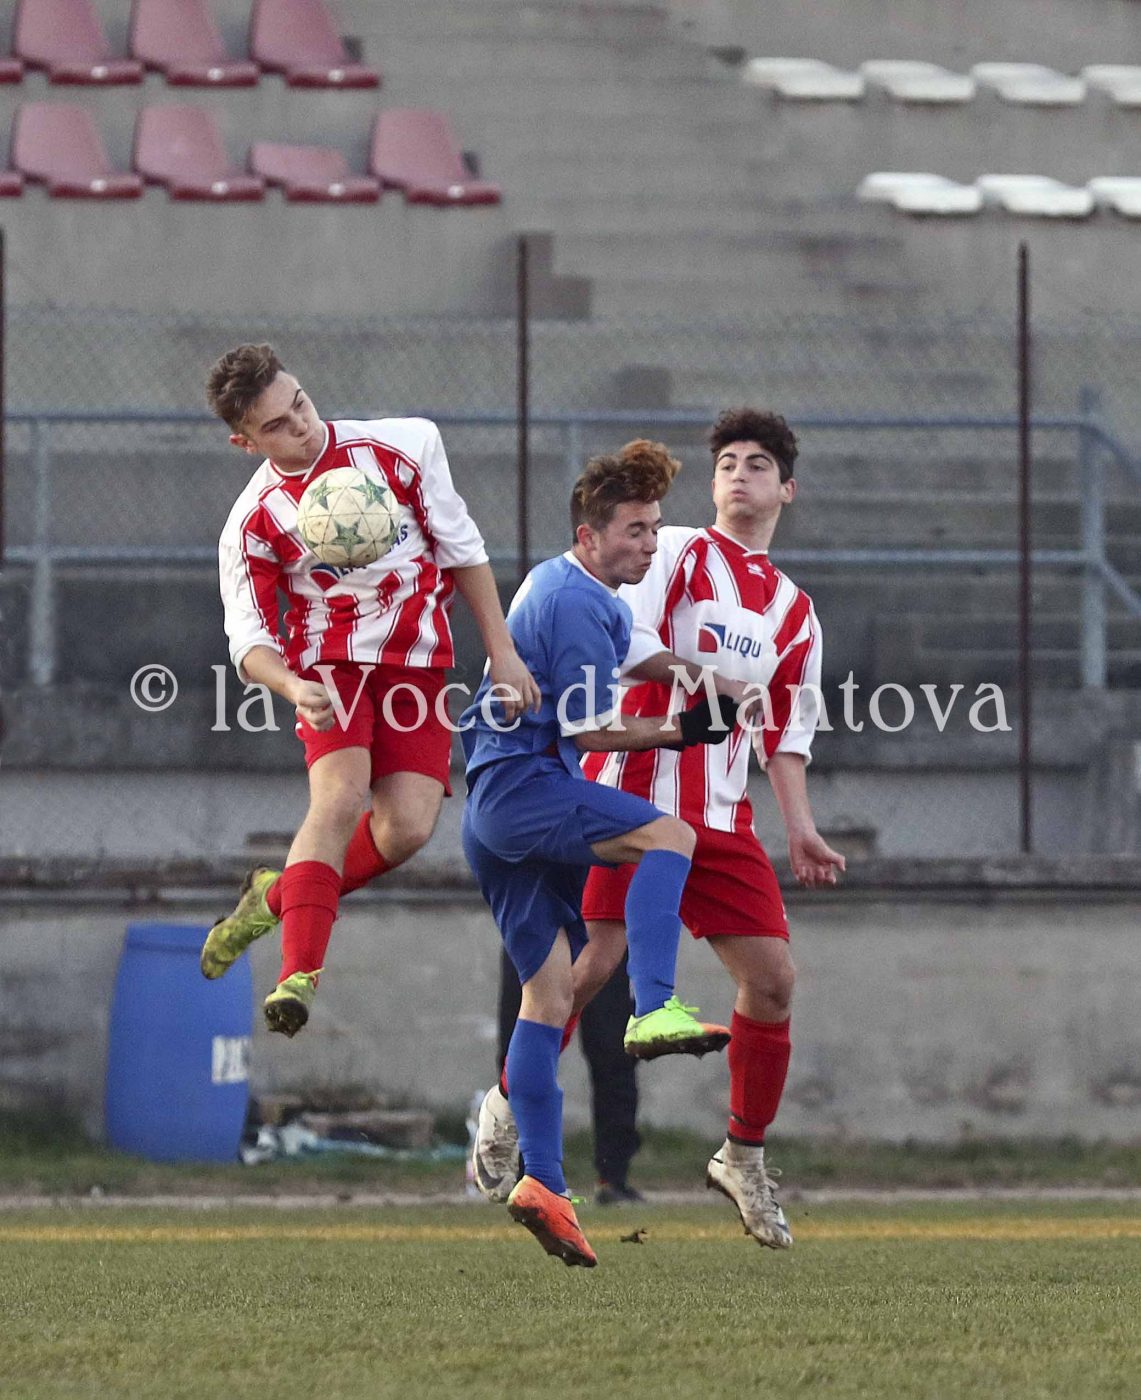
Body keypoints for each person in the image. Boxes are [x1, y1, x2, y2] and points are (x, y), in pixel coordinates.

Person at [474, 408, 845, 1253]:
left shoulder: (794, 612)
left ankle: (741, 1157)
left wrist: (801, 830)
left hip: (723, 817)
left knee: (773, 982)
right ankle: (504, 1105)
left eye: (757, 463)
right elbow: (626, 641)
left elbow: (785, 734)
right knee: (586, 970)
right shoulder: (670, 550)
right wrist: (698, 681)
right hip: (635, 791)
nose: (739, 473)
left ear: (786, 490)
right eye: (727, 462)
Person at [198, 342, 539, 1035]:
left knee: (407, 828)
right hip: (330, 667)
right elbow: (248, 640)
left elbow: (463, 550)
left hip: (416, 664)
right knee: (339, 796)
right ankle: (298, 975)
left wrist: (501, 653)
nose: (302, 425)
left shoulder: (407, 446)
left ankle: (274, 900)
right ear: (245, 442)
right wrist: (292, 685)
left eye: (299, 403)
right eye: (277, 425)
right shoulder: (252, 521)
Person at [460, 439, 740, 1267]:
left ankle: (543, 1184)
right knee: (670, 836)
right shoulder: (576, 605)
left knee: (547, 998)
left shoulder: (571, 587)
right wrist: (683, 728)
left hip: (492, 811)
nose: (649, 545)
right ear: (589, 535)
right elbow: (589, 732)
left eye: (653, 529)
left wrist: (695, 675)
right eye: (633, 531)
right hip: (529, 790)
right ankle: (654, 1005)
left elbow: (631, 651)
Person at [496, 948, 643, 1205]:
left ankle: (612, 1177)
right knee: (522, 1055)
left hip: (595, 935)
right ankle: (529, 1176)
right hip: (535, 936)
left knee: (613, 1053)